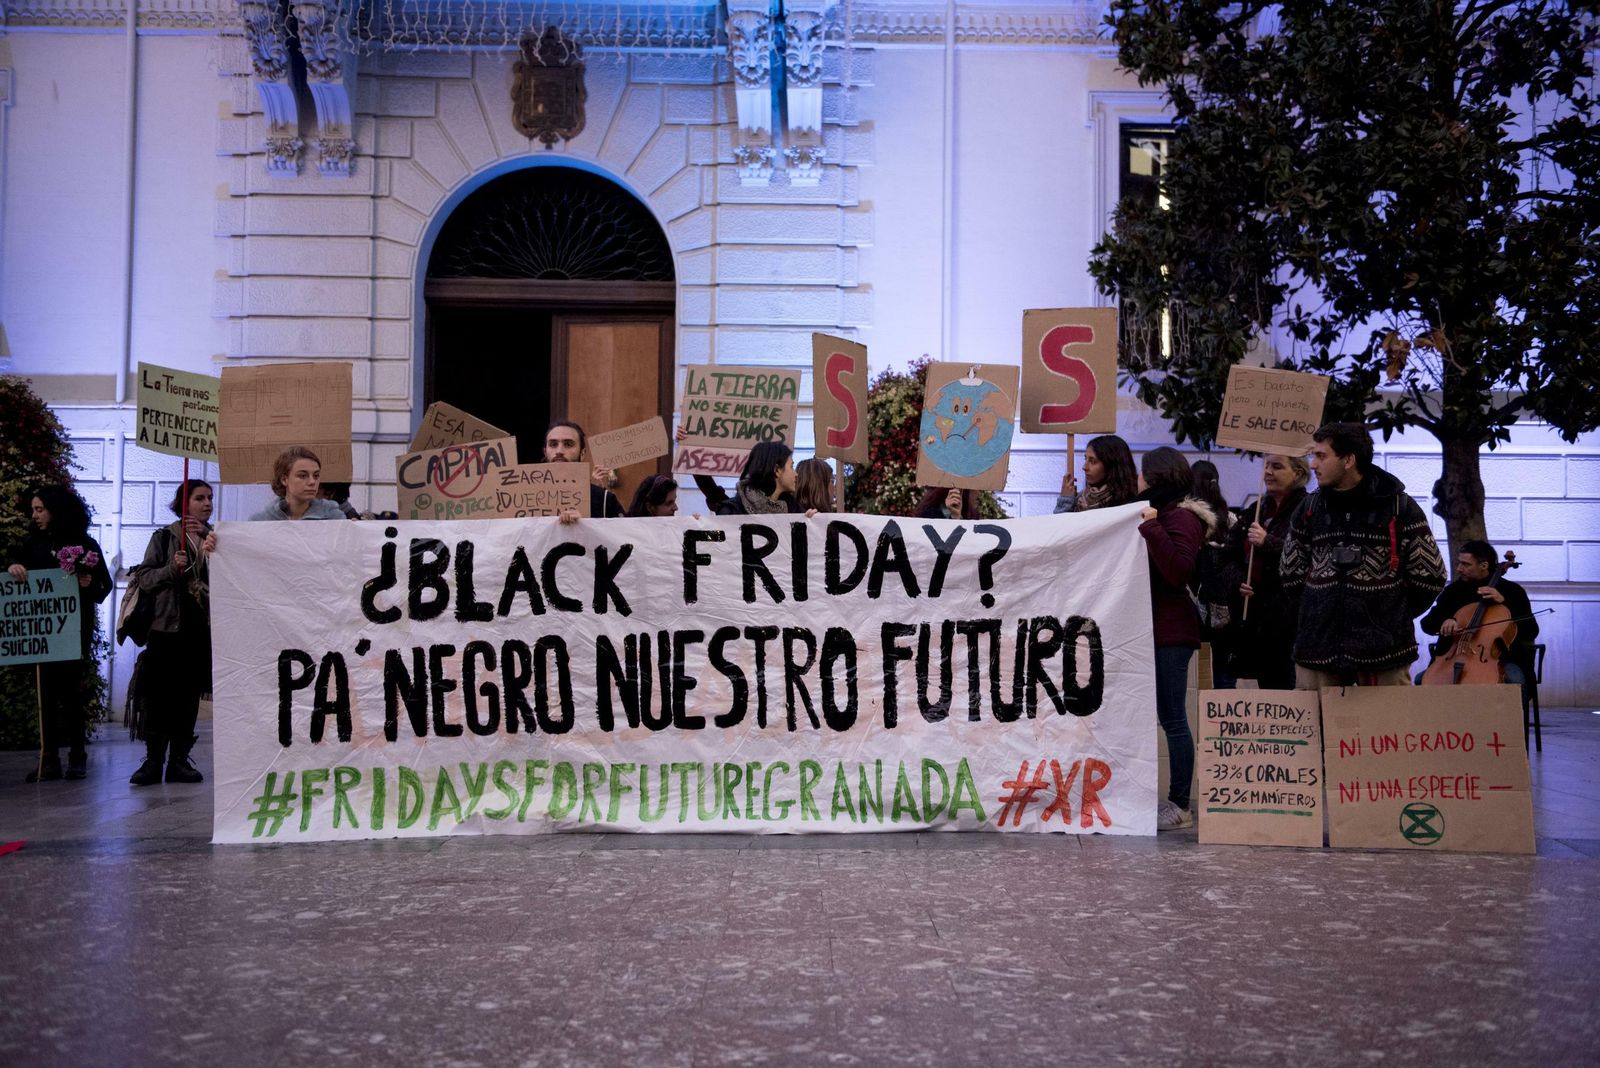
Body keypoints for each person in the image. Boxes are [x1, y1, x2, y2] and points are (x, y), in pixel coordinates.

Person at [1280, 422, 1447, 689]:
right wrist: (1319, 609)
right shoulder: (1309, 508)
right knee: (1316, 729)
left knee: (1387, 730)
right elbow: (1290, 574)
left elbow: (1430, 576)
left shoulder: (1399, 507)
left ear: (1348, 460)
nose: (1312, 464)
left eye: (1321, 456)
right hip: (1317, 651)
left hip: (1384, 656)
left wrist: (1390, 616)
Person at [1135, 447, 1218, 831]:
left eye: (1142, 474)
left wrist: (1151, 528)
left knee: (1173, 718)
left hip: (1172, 633)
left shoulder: (1180, 518)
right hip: (1155, 630)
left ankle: (1181, 803)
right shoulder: (1165, 514)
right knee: (1165, 717)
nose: (1138, 481)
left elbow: (1178, 570)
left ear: (1155, 478)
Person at [6, 485, 114, 782]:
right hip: (43, 635)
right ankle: (49, 758)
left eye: (40, 509)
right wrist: (14, 567)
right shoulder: (32, 544)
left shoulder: (85, 544)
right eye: (33, 510)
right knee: (46, 694)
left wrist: (87, 583)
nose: (34, 515)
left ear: (56, 510)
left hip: (74, 631)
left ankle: (77, 756)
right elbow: (14, 571)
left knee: (72, 695)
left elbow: (104, 587)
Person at [129, 481, 218, 786]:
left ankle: (179, 759)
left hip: (199, 629)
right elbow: (144, 577)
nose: (206, 504)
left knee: (188, 696)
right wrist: (170, 568)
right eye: (199, 498)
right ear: (185, 503)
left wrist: (211, 546)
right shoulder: (164, 537)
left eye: (209, 498)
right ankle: (154, 760)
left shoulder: (216, 537)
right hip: (166, 628)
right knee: (158, 696)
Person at [1231, 454, 1311, 690]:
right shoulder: (1255, 511)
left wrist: (1269, 542)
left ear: (1297, 473)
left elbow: (1310, 555)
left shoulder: (1307, 510)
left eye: (1277, 466)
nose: (1267, 472)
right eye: (1266, 466)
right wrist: (1238, 581)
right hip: (1257, 623)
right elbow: (1229, 556)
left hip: (1291, 622)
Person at [1418, 540, 1538, 693]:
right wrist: (1444, 621)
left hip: (1500, 660)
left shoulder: (1512, 591)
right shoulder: (1453, 591)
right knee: (1421, 680)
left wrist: (1505, 604)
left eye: (1466, 564)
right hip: (1452, 660)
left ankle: (1508, 718)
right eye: (1459, 563)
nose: (1459, 568)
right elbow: (1427, 624)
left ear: (1484, 566)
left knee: (1515, 682)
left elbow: (1531, 631)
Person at [1187, 460, 1240, 687]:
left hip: (1196, 603)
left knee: (1199, 672)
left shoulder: (1187, 518)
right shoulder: (1231, 519)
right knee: (1224, 671)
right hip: (1227, 607)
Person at [543, 420, 624, 519]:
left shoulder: (604, 499)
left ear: (582, 453)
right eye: (553, 444)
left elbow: (623, 532)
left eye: (568, 444)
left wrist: (586, 526)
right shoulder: (525, 498)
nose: (559, 451)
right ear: (545, 452)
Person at [250, 446, 347, 521]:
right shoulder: (260, 522)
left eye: (316, 476)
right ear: (284, 479)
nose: (312, 482)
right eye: (303, 476)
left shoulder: (334, 518)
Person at [1056, 434, 1138, 513]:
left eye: (1093, 461)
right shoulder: (1081, 497)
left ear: (1111, 465)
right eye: (1086, 459)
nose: (1084, 467)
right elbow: (1061, 525)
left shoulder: (1130, 503)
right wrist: (1065, 500)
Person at [716, 441, 802, 515]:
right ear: (777, 470)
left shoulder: (794, 510)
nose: (796, 474)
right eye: (791, 466)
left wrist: (809, 521)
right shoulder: (731, 511)